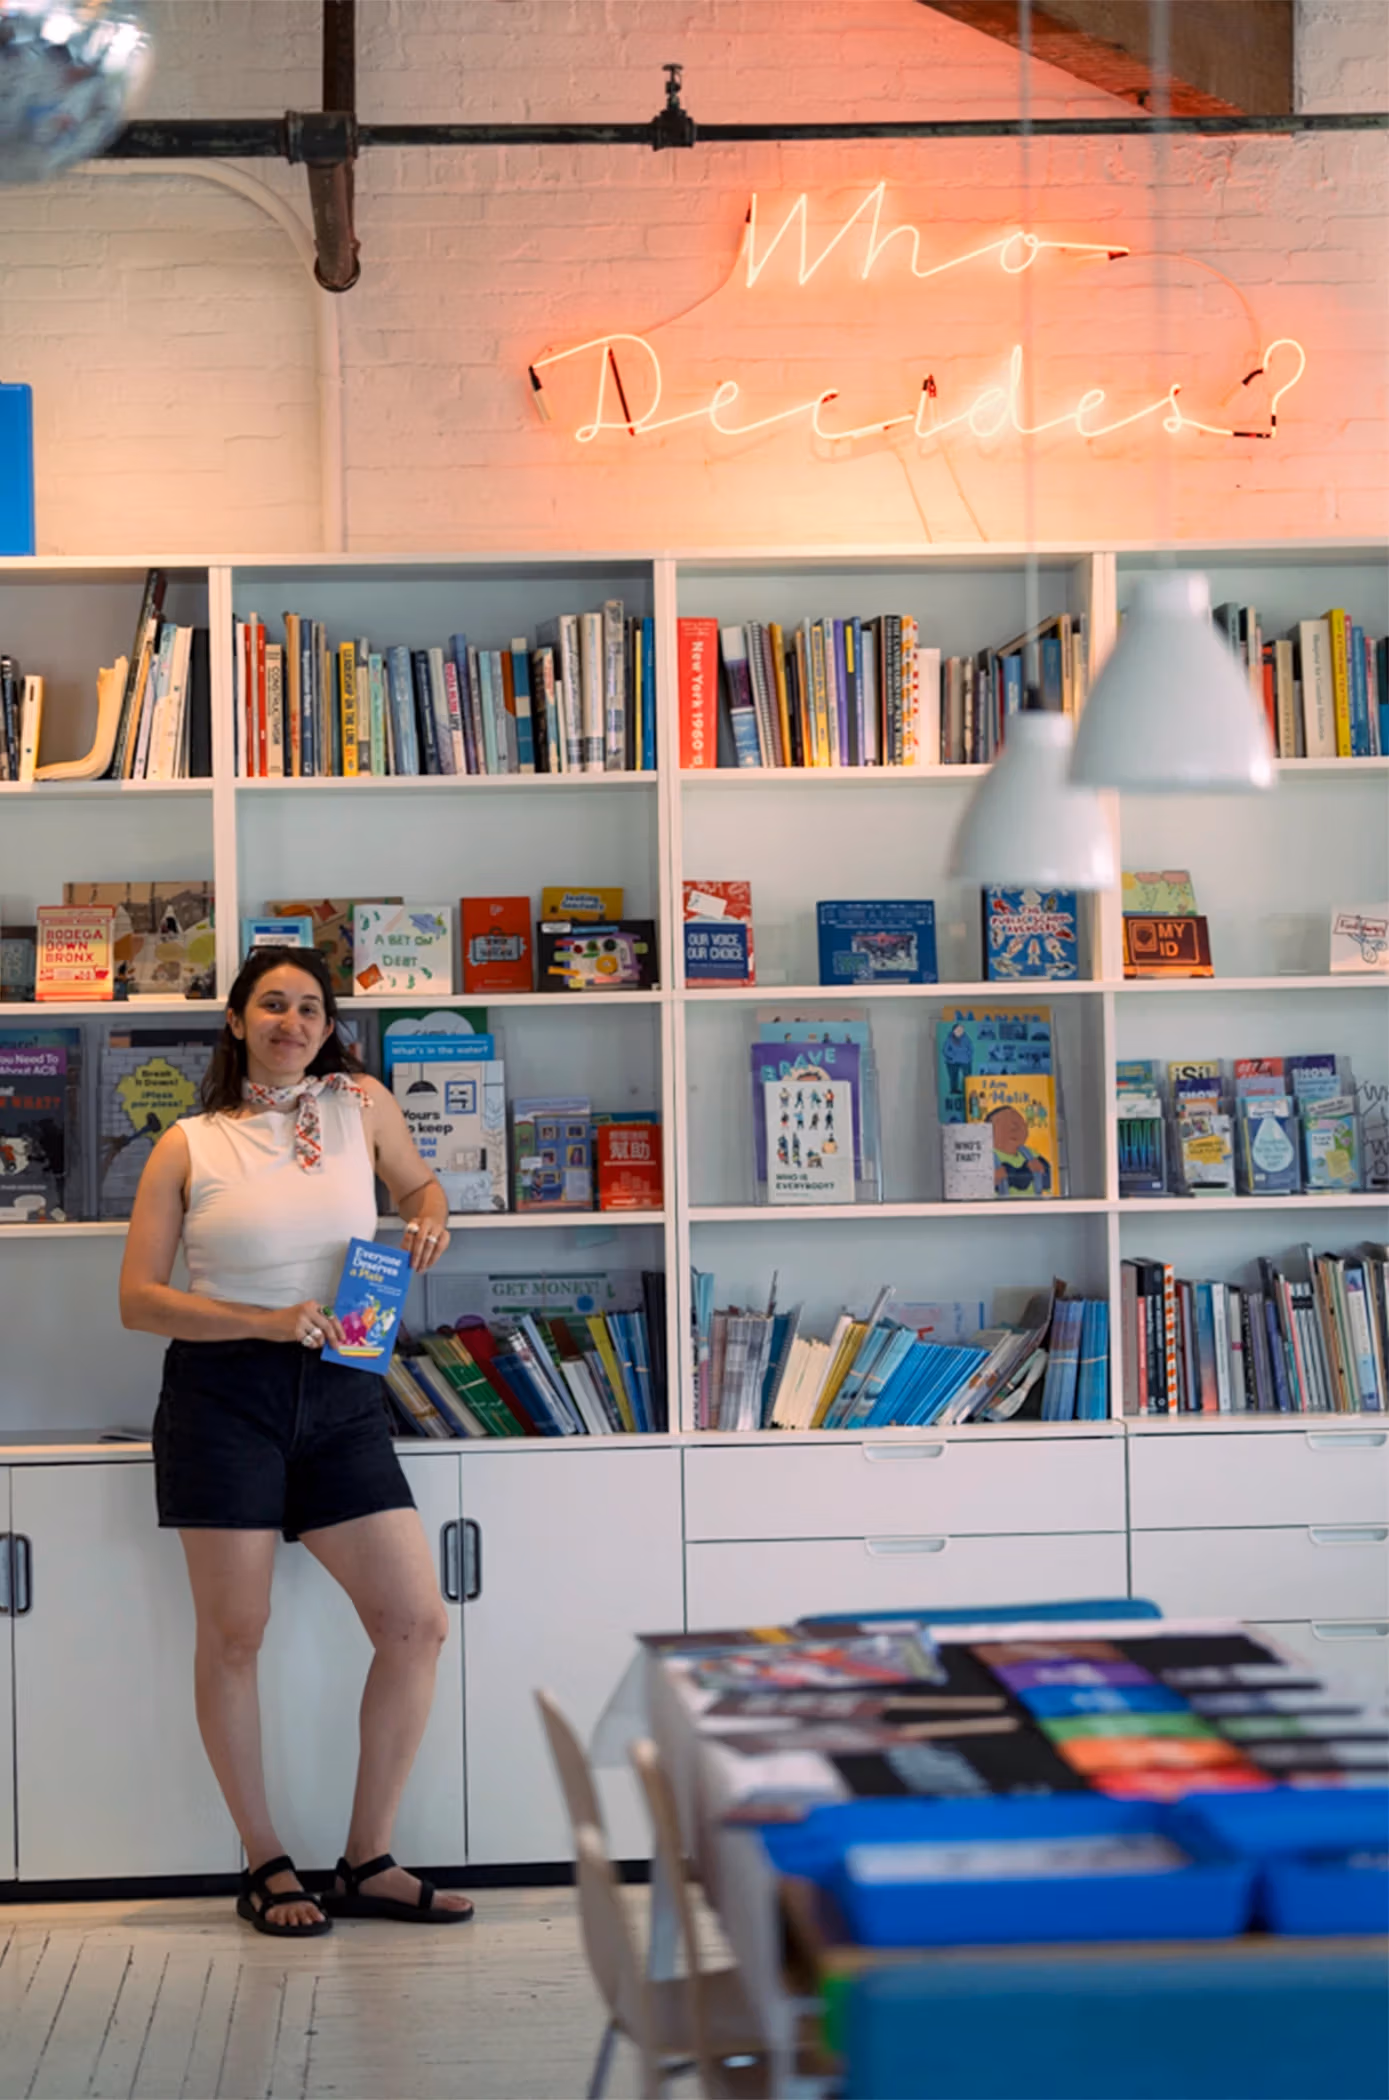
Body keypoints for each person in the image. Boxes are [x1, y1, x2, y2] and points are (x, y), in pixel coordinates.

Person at [119, 945, 474, 1937]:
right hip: (223, 1397)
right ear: (236, 1021)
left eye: (310, 1008)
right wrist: (265, 1322)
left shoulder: (361, 1108)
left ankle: (368, 1860)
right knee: (235, 1637)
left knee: (415, 1623)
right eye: (272, 1005)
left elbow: (419, 1190)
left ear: (329, 1024)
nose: (293, 1021)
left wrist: (431, 1219)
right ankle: (265, 1860)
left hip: (346, 1387)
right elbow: (139, 1300)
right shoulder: (187, 1143)